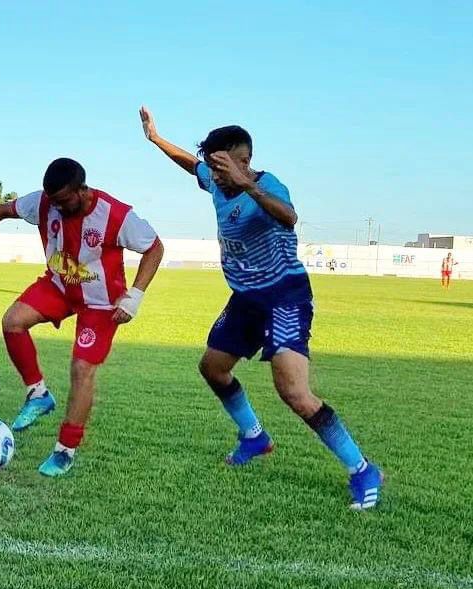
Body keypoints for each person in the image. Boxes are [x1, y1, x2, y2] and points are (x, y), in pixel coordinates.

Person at [139, 106, 382, 510]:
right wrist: (156, 139)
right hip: (246, 298)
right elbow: (189, 165)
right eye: (212, 166)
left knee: (294, 392)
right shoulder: (215, 182)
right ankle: (254, 437)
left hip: (284, 295)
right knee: (213, 368)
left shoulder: (268, 187)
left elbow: (289, 218)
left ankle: (362, 469)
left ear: (243, 161)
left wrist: (247, 185)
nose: (213, 175)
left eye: (220, 167)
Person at [0, 158, 164, 477]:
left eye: (64, 201)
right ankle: (38, 394)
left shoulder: (116, 214)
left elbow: (154, 248)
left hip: (101, 303)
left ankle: (65, 450)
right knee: (12, 321)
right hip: (59, 285)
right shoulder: (45, 202)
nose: (57, 209)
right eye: (53, 203)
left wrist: (136, 295)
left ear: (82, 191)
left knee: (81, 368)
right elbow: (1, 210)